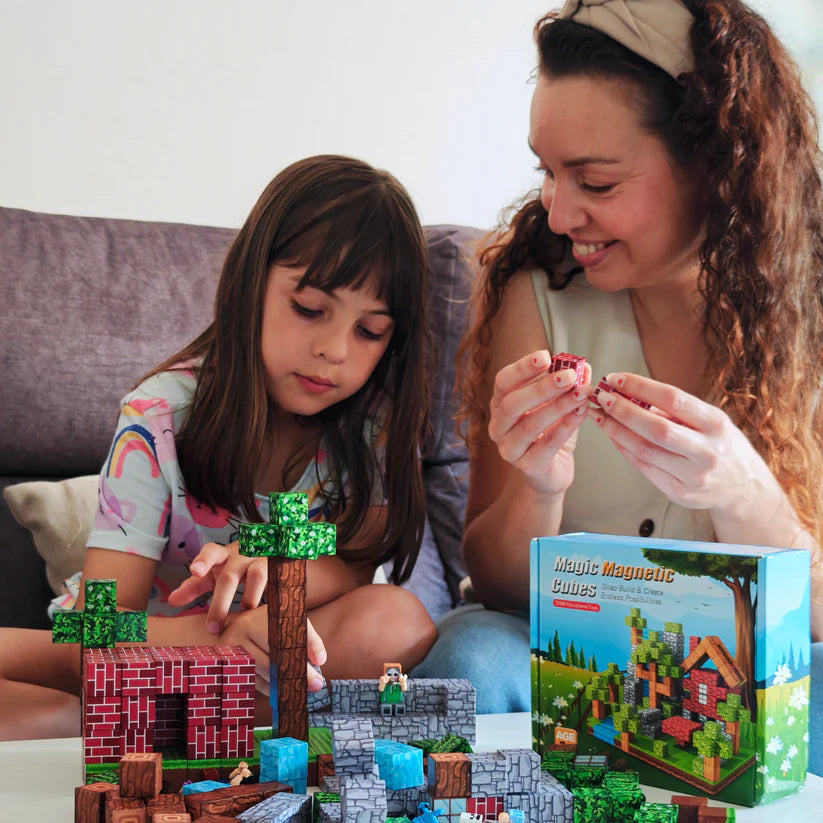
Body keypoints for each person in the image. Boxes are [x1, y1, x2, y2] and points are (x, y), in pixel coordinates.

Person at [415, 0, 823, 774]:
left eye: (595, 181)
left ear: (714, 165)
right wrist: (538, 486)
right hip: (567, 654)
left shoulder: (810, 316)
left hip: (754, 666)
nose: (558, 213)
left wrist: (748, 498)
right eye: (547, 172)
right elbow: (494, 583)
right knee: (471, 657)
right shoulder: (538, 294)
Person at [0, 155, 438, 740]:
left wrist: (282, 570)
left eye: (369, 331)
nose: (335, 349)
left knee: (398, 620)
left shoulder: (375, 426)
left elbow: (355, 565)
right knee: (76, 658)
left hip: (271, 656)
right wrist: (225, 640)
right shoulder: (159, 416)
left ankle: (126, 725)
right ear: (249, 284)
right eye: (310, 310)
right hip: (143, 646)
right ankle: (121, 717)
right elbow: (101, 624)